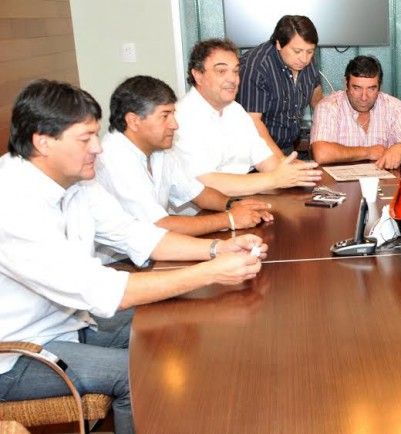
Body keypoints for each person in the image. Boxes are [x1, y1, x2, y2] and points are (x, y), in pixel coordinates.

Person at [0, 79, 267, 434]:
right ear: (43, 142)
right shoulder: (12, 203)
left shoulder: (75, 179)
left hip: (72, 322)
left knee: (180, 321)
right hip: (18, 353)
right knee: (138, 375)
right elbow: (104, 290)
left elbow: (135, 234)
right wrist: (211, 272)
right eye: (85, 138)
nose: (98, 147)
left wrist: (216, 249)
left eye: (96, 135)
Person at [95, 75, 273, 245]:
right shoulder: (114, 157)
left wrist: (234, 204)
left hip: (155, 248)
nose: (175, 124)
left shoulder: (157, 148)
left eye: (173, 114)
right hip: (118, 260)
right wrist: (231, 218)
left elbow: (197, 193)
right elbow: (158, 226)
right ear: (133, 121)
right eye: (165, 116)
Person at [174, 38, 322, 198]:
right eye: (221, 71)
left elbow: (265, 160)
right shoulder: (180, 118)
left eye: (235, 71)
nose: (233, 79)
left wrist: (295, 174)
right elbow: (206, 182)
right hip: (207, 209)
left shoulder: (235, 110)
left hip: (244, 199)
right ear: (198, 75)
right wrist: (274, 179)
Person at [310, 55, 401, 169]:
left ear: (379, 87)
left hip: (384, 179)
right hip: (338, 180)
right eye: (357, 88)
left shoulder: (394, 106)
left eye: (371, 89)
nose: (364, 97)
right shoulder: (329, 107)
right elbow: (321, 154)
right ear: (346, 83)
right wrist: (369, 152)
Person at [237, 15, 322, 157]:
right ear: (279, 44)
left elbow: (316, 96)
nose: (304, 59)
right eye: (297, 51)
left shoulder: (306, 58)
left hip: (288, 146)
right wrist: (281, 162)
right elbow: (253, 122)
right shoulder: (256, 68)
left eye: (310, 51)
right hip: (256, 152)